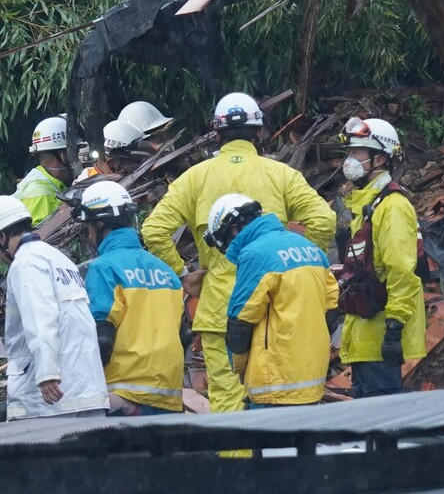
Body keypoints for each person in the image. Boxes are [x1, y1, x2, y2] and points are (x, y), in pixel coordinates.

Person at [141, 92, 336, 414]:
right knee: (282, 404)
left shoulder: (195, 178)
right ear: (260, 132)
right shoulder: (281, 174)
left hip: (220, 310)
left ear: (216, 134)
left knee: (229, 408)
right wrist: (297, 266)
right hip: (281, 311)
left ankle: (237, 464)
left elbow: (154, 230)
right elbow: (323, 219)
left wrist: (183, 275)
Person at [0, 195, 109, 420]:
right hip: (87, 390)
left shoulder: (25, 263)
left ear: (3, 236)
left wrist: (47, 374)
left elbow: (40, 319)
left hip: (49, 401)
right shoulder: (58, 259)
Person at [204, 194, 338, 407]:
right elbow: (331, 308)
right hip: (312, 379)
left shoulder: (254, 254)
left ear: (233, 228)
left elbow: (241, 320)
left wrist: (239, 369)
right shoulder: (311, 249)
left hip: (273, 383)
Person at [74, 181, 184, 415]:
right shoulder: (165, 271)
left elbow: (102, 338)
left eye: (89, 228)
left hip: (125, 398)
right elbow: (183, 334)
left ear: (100, 224)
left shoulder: (104, 268)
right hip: (169, 395)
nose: (90, 235)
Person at [337, 117, 426, 397]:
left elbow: (401, 270)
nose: (350, 160)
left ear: (379, 159)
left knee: (384, 430)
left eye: (357, 153)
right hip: (365, 337)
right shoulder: (368, 205)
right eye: (349, 152)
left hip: (381, 337)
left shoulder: (393, 206)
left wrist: (394, 327)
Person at [13, 116, 73, 226]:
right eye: (73, 153)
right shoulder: (40, 192)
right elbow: (41, 237)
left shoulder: (53, 184)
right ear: (64, 156)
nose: (77, 158)